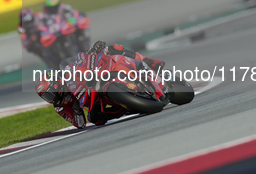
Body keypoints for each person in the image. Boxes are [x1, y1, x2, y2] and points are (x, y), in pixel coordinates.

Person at [36, 41, 166, 128]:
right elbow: (80, 123)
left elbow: (81, 60)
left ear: (56, 84)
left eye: (49, 94)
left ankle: (149, 62)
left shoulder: (68, 71)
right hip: (93, 100)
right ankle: (125, 109)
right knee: (95, 118)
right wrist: (76, 108)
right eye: (46, 97)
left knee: (114, 48)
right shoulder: (60, 106)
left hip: (94, 79)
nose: (50, 98)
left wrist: (92, 52)